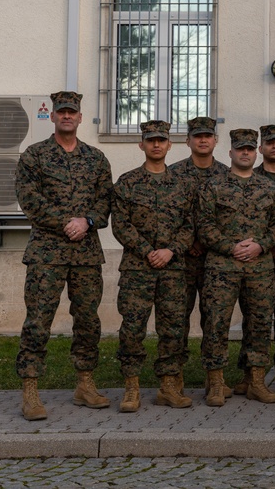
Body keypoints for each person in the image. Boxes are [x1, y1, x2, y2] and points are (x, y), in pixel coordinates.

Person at [14, 91, 113, 421]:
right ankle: (30, 390)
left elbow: (105, 203)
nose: (67, 116)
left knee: (87, 321)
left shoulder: (96, 159)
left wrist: (87, 221)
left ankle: (85, 384)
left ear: (80, 117)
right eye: (61, 112)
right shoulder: (34, 156)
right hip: (47, 254)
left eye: (72, 112)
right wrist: (66, 223)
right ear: (52, 116)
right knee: (38, 321)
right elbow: (30, 201)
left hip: (85, 254)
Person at [197, 129, 275, 407]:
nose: (245, 153)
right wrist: (230, 247)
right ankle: (215, 383)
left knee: (259, 323)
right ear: (231, 153)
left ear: (256, 151)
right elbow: (204, 225)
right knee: (216, 324)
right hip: (222, 266)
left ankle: (256, 381)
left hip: (259, 267)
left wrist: (260, 244)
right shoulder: (213, 186)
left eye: (249, 148)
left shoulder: (268, 188)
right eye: (240, 149)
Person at [111, 120, 194, 413]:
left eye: (161, 140)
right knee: (132, 328)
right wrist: (148, 251)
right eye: (150, 140)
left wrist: (171, 251)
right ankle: (131, 387)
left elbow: (190, 225)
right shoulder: (127, 183)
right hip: (137, 269)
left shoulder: (183, 186)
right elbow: (120, 224)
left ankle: (168, 386)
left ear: (170, 145)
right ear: (142, 145)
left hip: (172, 269)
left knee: (172, 328)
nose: (156, 145)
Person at [234, 124, 275, 395]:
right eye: (270, 143)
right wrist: (260, 246)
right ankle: (248, 373)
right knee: (253, 317)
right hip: (253, 261)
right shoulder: (248, 176)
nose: (274, 147)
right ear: (260, 148)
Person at [169, 116, 229, 395]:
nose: (203, 140)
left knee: (215, 319)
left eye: (208, 135)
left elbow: (230, 219)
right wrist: (189, 241)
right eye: (197, 136)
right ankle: (175, 375)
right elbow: (167, 217)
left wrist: (207, 241)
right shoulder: (173, 174)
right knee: (177, 317)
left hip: (216, 260)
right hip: (180, 260)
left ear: (216, 140)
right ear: (188, 141)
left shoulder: (228, 175)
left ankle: (214, 377)